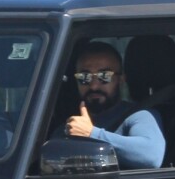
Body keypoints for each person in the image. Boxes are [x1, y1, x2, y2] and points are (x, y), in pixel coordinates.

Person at [64, 41, 165, 169]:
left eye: (104, 76)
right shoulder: (69, 127)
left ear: (121, 79)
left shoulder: (139, 115)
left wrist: (92, 134)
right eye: (85, 77)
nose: (94, 85)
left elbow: (151, 156)